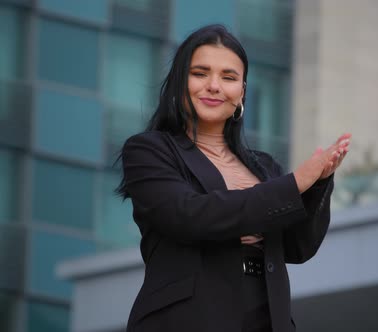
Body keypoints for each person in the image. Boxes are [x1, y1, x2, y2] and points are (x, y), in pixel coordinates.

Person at [116, 24, 351, 332]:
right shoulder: (150, 150)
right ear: (179, 82)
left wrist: (319, 182)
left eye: (228, 77)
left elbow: (297, 248)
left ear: (241, 92)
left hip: (266, 317)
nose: (214, 86)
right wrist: (295, 183)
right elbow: (189, 215)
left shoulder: (265, 168)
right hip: (188, 318)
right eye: (200, 73)